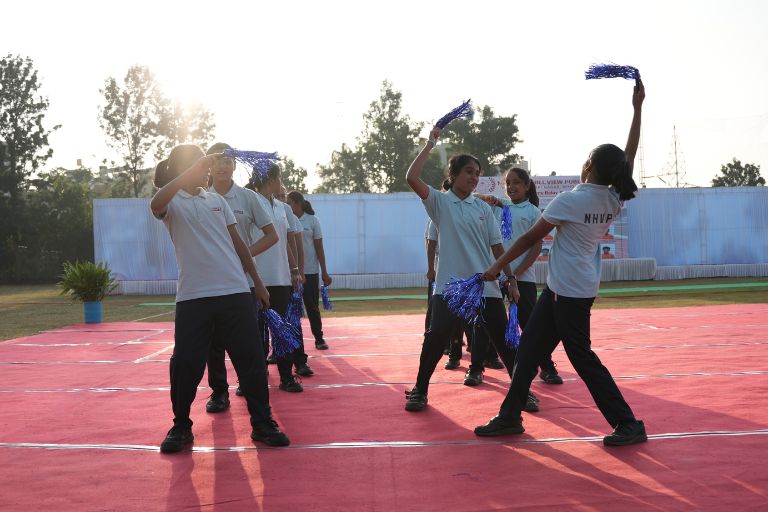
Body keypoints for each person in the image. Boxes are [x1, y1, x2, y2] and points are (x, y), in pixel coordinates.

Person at [474, 79, 647, 447]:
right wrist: (637, 110)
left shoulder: (573, 199)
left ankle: (628, 423)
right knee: (530, 352)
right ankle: (509, 417)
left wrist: (496, 266)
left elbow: (528, 239)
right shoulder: (613, 197)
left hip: (568, 293)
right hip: (567, 289)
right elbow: (627, 158)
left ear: (589, 166)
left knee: (582, 359)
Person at [149, 144, 289, 452]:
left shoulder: (216, 201)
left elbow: (239, 244)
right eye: (200, 165)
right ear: (184, 168)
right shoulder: (172, 204)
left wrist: (258, 282)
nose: (208, 170)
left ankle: (262, 423)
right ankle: (181, 427)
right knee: (186, 364)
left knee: (251, 361)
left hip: (236, 292)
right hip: (194, 296)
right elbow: (156, 202)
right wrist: (188, 170)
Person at [403, 127, 538, 412]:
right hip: (450, 287)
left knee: (504, 343)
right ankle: (420, 389)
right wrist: (430, 144)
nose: (475, 178)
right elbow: (411, 178)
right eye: (468, 172)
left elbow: (497, 248)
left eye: (477, 173)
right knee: (436, 337)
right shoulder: (440, 203)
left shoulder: (483, 209)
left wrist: (510, 278)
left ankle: (521, 392)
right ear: (453, 175)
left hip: (485, 287)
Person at [203, 142, 280, 413]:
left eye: (228, 160)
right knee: (214, 343)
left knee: (247, 342)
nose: (223, 165)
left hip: (243, 283)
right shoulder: (200, 197)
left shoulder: (249, 198)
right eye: (217, 160)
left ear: (235, 165)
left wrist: (243, 256)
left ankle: (250, 390)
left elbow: (272, 235)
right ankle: (218, 392)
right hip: (209, 283)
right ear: (208, 166)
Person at [479, 167, 564, 385]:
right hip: (495, 276)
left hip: (522, 278)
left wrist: (514, 275)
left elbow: (535, 248)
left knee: (530, 325)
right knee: (489, 321)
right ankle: (482, 363)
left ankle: (547, 367)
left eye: (516, 183)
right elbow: (474, 198)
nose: (511, 187)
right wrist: (488, 198)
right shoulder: (499, 207)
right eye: (508, 183)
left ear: (527, 186)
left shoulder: (533, 212)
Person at [248, 163, 309, 391]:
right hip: (256, 278)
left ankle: (286, 377)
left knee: (282, 330)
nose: (281, 181)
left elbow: (284, 243)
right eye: (278, 177)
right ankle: (253, 377)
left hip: (281, 278)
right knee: (256, 332)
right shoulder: (251, 202)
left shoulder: (282, 208)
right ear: (270, 178)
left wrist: (294, 271)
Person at [286, 190, 333, 351]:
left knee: (312, 307)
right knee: (290, 310)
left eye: (289, 202)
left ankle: (319, 338)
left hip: (311, 272)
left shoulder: (313, 221)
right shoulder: (286, 220)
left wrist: (324, 272)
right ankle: (287, 343)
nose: (286, 205)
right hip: (291, 273)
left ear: (297, 204)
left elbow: (319, 248)